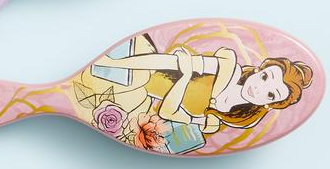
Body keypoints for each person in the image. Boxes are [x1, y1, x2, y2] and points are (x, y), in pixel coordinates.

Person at [76, 36, 313, 134]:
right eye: (265, 77)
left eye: (271, 94)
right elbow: (166, 62)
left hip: (140, 98)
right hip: (138, 68)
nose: (260, 88)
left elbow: (167, 113)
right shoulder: (226, 67)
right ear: (259, 69)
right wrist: (115, 64)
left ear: (272, 105)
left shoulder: (225, 119)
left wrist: (185, 77)